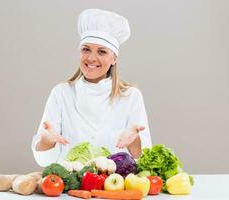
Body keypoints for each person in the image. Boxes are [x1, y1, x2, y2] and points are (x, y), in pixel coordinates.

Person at [31, 8, 152, 167]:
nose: (91, 58)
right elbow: (43, 161)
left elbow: (143, 160)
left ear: (114, 58)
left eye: (102, 52)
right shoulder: (61, 93)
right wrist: (47, 140)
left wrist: (134, 141)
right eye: (86, 49)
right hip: (69, 188)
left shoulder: (130, 96)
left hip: (113, 187)